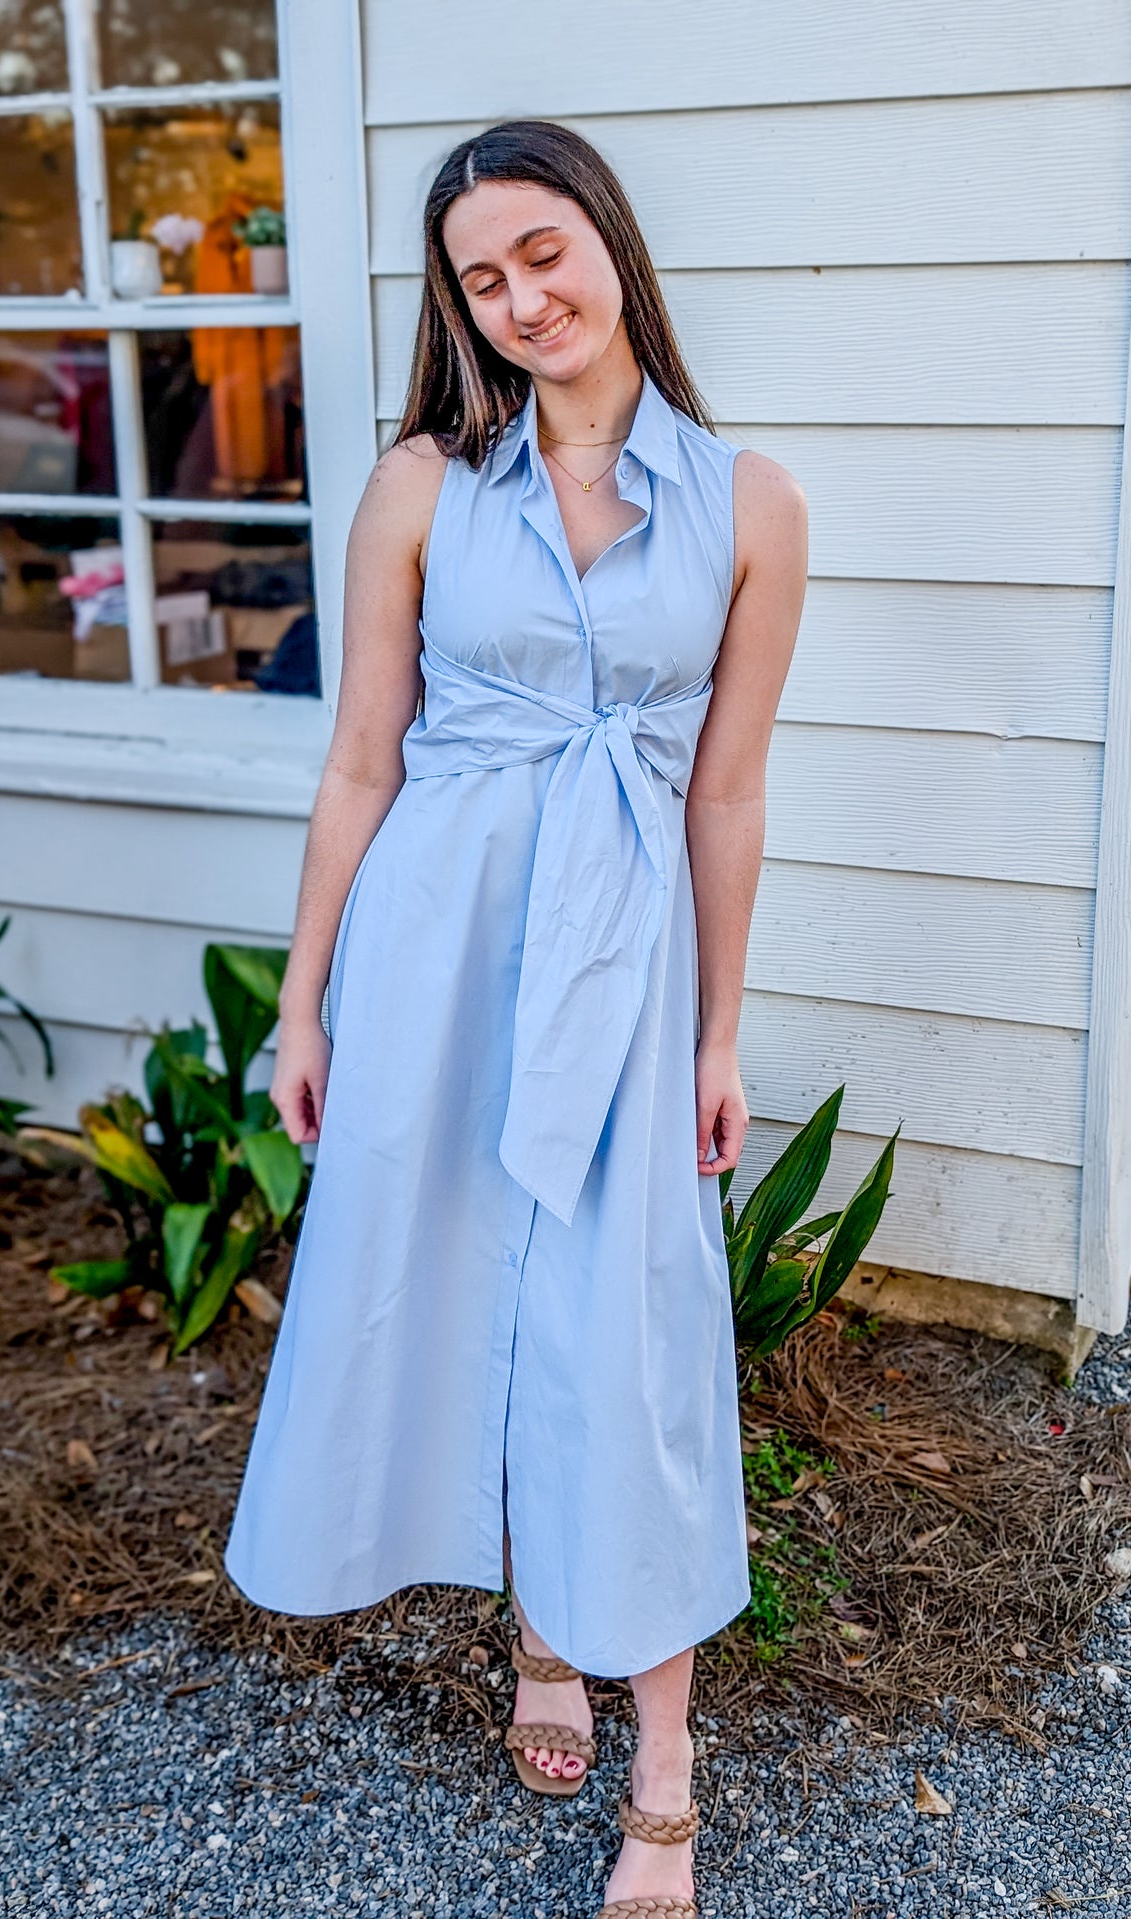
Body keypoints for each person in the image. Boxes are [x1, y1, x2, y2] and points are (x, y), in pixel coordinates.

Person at [223, 119, 808, 1919]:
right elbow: (357, 762)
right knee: (467, 1277)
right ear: (460, 309)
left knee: (622, 1324)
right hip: (438, 944)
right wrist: (304, 1003)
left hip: (622, 962)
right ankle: (540, 1626)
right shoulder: (416, 486)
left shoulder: (751, 505)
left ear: (609, 242)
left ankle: (663, 1761)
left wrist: (715, 1036)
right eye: (485, 278)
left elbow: (723, 796)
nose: (525, 296)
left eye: (545, 250)